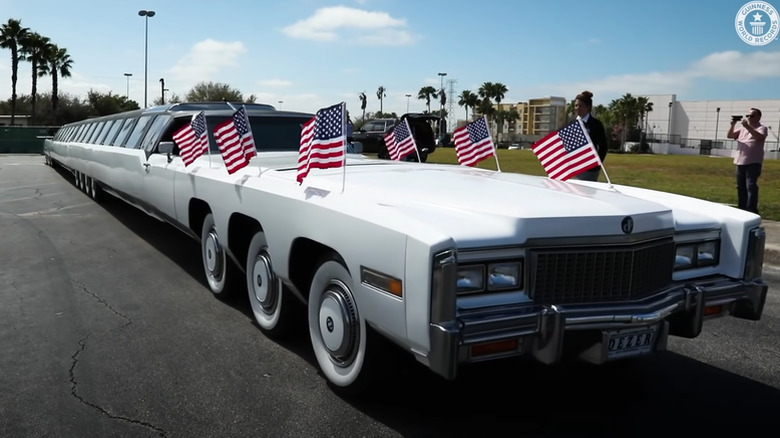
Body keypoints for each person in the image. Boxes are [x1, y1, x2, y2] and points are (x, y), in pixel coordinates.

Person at [727, 107, 767, 214]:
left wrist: (747, 126)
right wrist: (733, 124)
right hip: (740, 161)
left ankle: (752, 208)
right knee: (741, 187)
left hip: (753, 162)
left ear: (758, 117)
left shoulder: (761, 128)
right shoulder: (743, 129)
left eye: (752, 116)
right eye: (748, 116)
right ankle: (742, 208)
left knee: (751, 185)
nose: (749, 117)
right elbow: (730, 135)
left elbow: (759, 137)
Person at [572, 91, 608, 181]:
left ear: (588, 107)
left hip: (590, 170)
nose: (577, 108)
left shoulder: (596, 125)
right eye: (576, 105)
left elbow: (603, 147)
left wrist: (596, 164)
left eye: (580, 106)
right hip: (575, 169)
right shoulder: (573, 124)